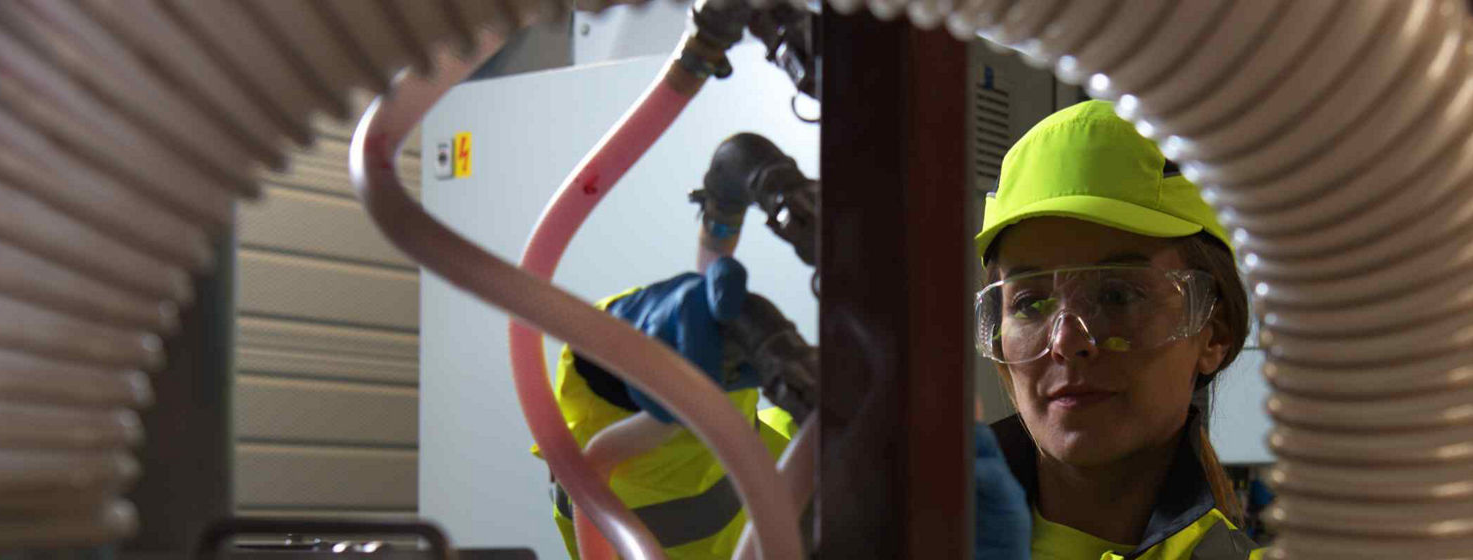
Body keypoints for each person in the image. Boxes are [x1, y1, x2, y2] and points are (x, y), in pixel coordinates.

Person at [536, 100, 1263, 559]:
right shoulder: (854, 503)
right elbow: (672, 528)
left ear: (1214, 331)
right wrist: (623, 385)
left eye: (1117, 294)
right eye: (1032, 302)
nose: (1066, 339)